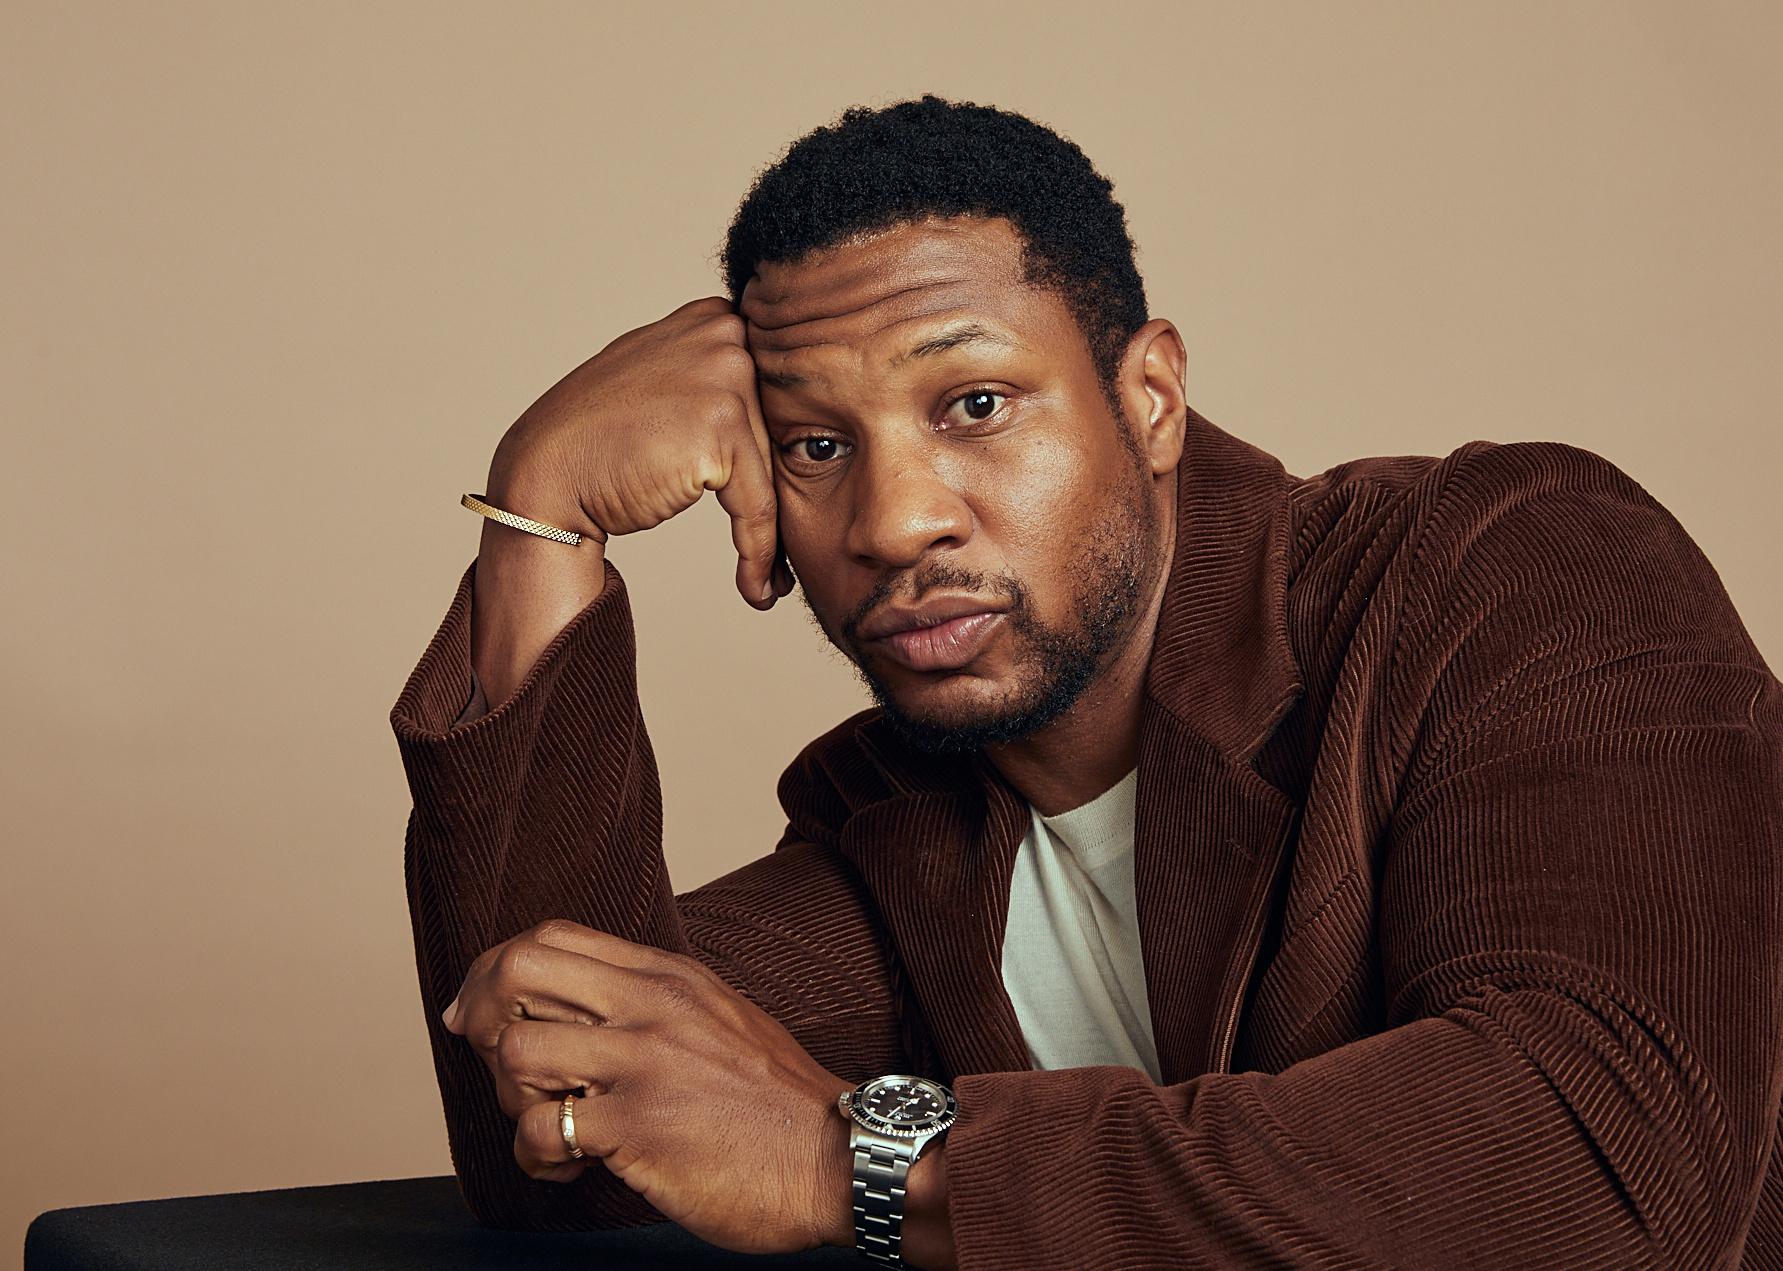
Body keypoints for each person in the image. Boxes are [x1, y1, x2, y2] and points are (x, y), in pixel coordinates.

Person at [389, 95, 1783, 1269]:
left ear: (1152, 398)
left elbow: (1605, 1159)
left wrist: (856, 1156)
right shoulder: (900, 831)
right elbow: (560, 1141)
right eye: (814, 446)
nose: (892, 521)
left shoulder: (1516, 567)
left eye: (975, 406)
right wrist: (542, 517)